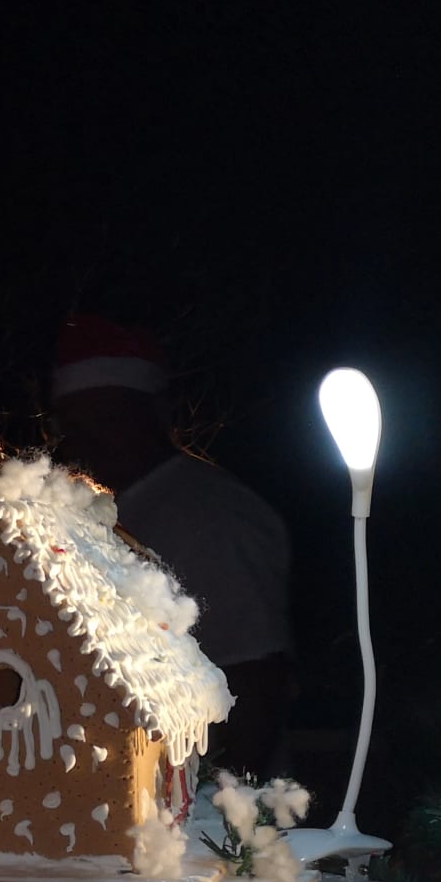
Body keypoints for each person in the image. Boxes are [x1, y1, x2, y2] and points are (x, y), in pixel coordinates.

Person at [48, 313, 293, 778]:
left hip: (196, 800)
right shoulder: (89, 513)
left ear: (155, 413)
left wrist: (223, 806)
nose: (89, 440)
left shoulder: (213, 517)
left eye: (110, 417)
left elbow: (255, 684)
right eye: (75, 425)